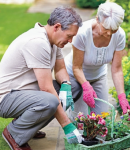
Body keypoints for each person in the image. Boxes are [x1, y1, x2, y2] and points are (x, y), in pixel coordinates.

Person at [0, 6, 84, 150]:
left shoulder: (53, 41)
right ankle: (14, 134)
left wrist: (65, 85)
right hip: (6, 97)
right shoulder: (37, 42)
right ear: (57, 27)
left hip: (25, 93)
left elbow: (61, 69)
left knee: (74, 87)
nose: (70, 41)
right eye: (69, 36)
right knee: (50, 100)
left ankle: (28, 127)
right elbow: (46, 88)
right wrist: (67, 125)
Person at [59, 2, 130, 118]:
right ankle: (71, 114)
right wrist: (86, 86)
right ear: (97, 20)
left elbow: (117, 70)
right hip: (76, 76)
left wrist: (122, 97)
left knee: (102, 119)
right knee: (81, 119)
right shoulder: (82, 33)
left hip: (98, 76)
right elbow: (77, 67)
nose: (109, 33)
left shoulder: (119, 35)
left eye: (114, 29)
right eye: (106, 28)